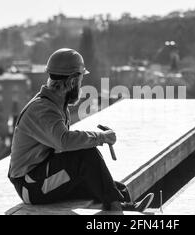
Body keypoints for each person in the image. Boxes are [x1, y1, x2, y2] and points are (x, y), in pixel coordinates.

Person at [8, 48, 154, 212]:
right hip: (31, 186)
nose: (81, 85)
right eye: (80, 80)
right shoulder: (44, 109)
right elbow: (64, 141)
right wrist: (101, 137)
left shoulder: (55, 105)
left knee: (113, 187)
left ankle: (123, 205)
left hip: (39, 180)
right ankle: (117, 207)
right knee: (86, 155)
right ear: (72, 81)